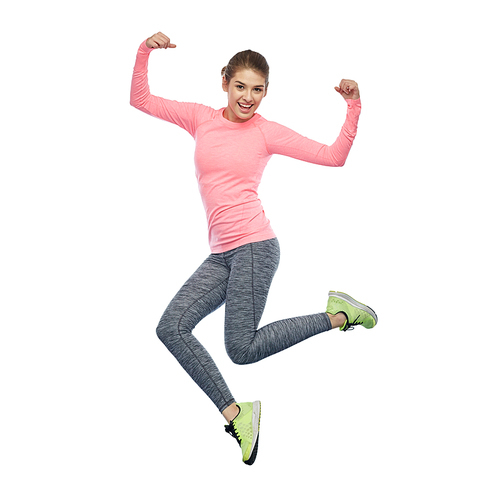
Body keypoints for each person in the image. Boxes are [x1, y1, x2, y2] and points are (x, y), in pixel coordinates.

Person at [130, 31, 378, 466]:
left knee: (241, 349)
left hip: (255, 247)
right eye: (240, 86)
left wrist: (353, 106)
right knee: (170, 328)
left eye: (257, 89)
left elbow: (333, 155)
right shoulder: (200, 118)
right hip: (222, 254)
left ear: (266, 92)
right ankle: (236, 414)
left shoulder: (266, 132)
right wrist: (144, 50)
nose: (248, 97)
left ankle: (340, 314)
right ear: (224, 81)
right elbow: (142, 100)